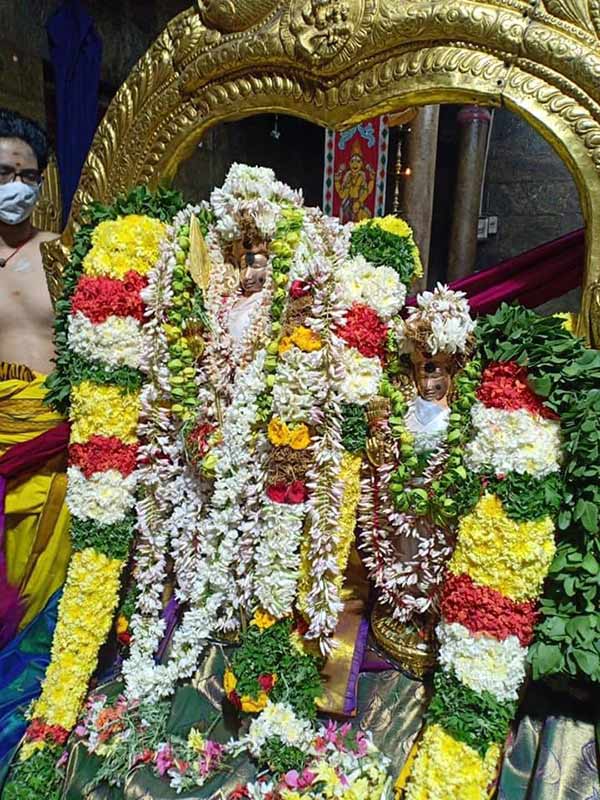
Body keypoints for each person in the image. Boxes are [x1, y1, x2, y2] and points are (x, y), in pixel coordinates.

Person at [0, 110, 71, 774]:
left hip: (50, 448)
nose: (16, 186)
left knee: (44, 601)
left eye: (27, 174)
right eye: (3, 173)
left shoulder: (60, 252)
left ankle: (36, 737)